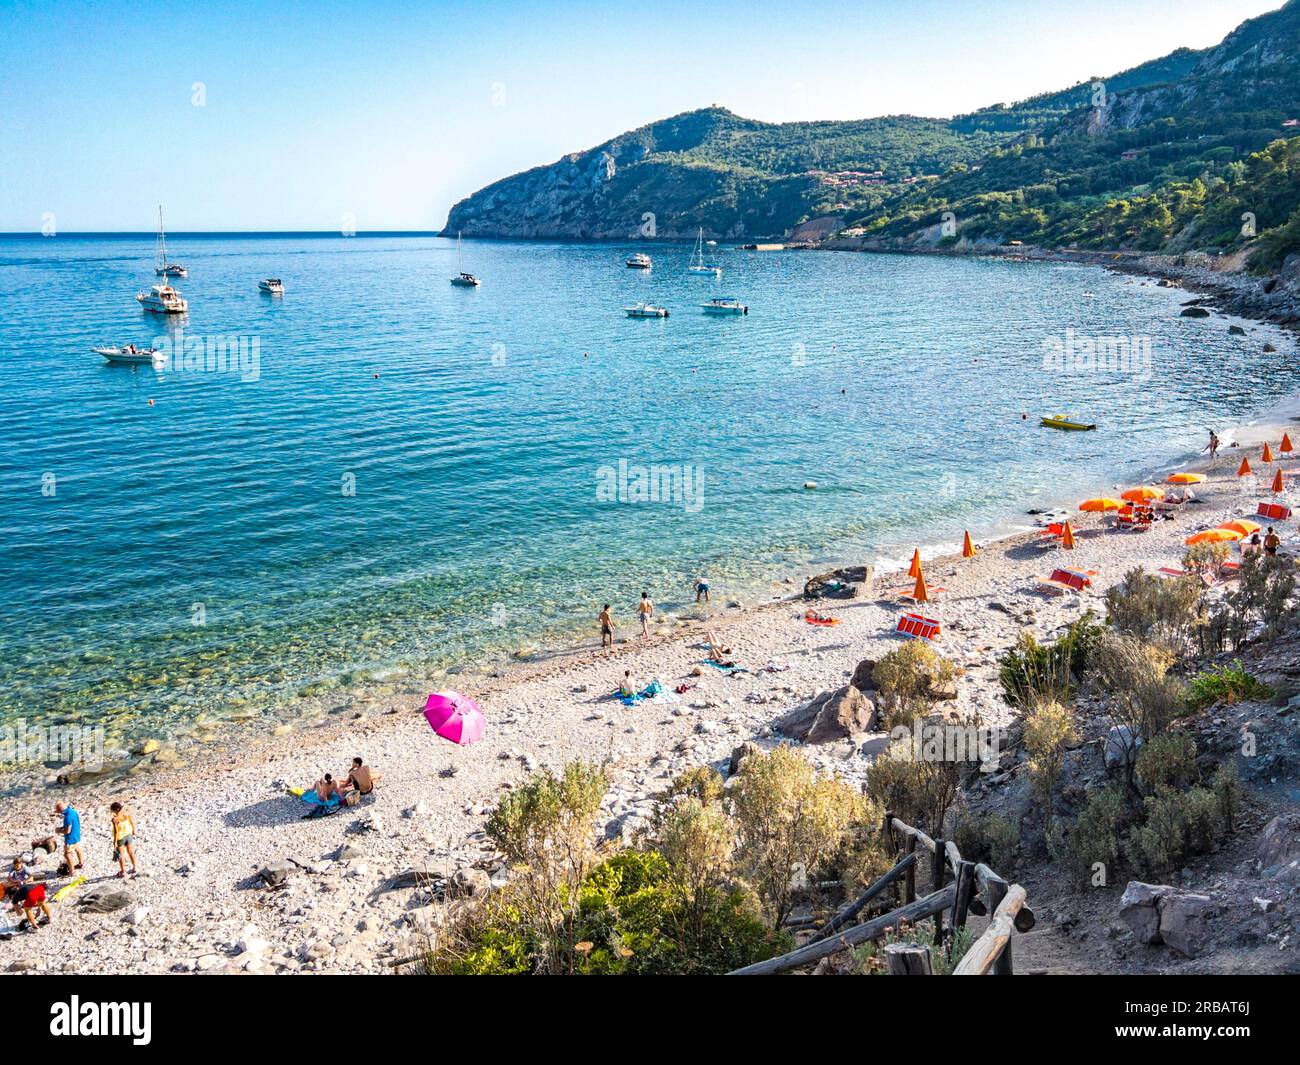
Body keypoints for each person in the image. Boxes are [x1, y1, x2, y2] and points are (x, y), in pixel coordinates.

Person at [6, 859, 49, 932]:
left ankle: (35, 927)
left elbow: (19, 914)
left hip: (30, 892)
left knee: (27, 909)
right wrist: (38, 909)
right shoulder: (19, 893)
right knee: (42, 903)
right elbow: (38, 901)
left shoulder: (14, 899)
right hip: (38, 888)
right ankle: (49, 918)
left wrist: (19, 910)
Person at [109, 801, 138, 878]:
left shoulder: (115, 819)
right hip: (128, 835)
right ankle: (135, 868)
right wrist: (134, 831)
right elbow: (132, 823)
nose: (111, 812)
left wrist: (114, 842)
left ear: (115, 810)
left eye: (112, 810)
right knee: (131, 852)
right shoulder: (126, 814)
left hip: (120, 838)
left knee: (121, 855)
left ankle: (123, 872)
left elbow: (116, 832)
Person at [55, 802, 84, 876]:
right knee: (78, 849)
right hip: (77, 835)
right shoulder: (73, 811)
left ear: (60, 810)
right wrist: (62, 828)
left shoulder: (67, 817)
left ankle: (72, 871)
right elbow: (74, 823)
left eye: (58, 811)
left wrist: (59, 830)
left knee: (67, 854)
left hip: (70, 839)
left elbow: (67, 831)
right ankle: (81, 863)